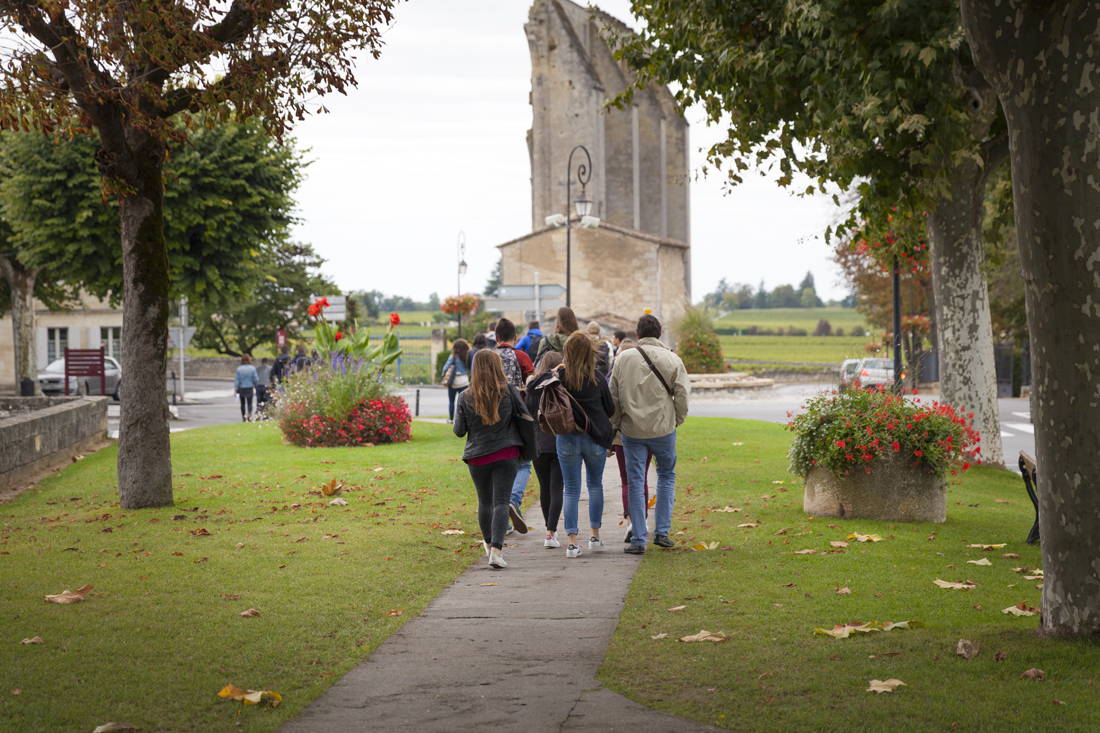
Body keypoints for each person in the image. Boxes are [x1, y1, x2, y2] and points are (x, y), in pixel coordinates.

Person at [610, 314, 691, 555]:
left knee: (636, 481)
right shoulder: (672, 359)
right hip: (663, 428)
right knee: (666, 476)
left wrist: (616, 423)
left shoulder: (623, 359)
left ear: (637, 335)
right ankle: (662, 532)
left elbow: (613, 396)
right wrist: (676, 420)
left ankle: (638, 538)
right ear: (660, 334)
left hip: (632, 429)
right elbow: (682, 395)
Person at [453, 350, 530, 569]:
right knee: (501, 502)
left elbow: (459, 431)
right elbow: (525, 416)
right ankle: (496, 551)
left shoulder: (465, 396)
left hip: (478, 456)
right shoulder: (509, 391)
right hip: (507, 453)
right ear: (498, 366)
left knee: (485, 502)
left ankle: (488, 545)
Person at [555, 331, 615, 558]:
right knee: (595, 485)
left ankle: (572, 542)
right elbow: (610, 409)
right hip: (595, 438)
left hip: (567, 437)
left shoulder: (560, 378)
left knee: (571, 489)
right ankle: (595, 536)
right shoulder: (598, 378)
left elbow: (535, 389)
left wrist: (555, 371)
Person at [494, 318, 535, 533]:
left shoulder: (488, 357)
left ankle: (504, 522)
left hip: (491, 418)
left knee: (498, 467)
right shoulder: (522, 357)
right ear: (516, 337)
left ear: (496, 337)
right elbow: (532, 385)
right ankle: (513, 501)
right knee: (523, 464)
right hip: (516, 418)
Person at [608, 339, 651, 541]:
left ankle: (631, 521)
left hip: (622, 435)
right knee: (642, 478)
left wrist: (609, 439)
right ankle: (642, 520)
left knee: (626, 480)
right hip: (646, 432)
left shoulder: (615, 377)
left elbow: (611, 409)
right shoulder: (646, 374)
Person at [526, 351, 565, 548]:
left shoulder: (534, 387)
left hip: (539, 442)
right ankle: (551, 532)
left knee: (545, 488)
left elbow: (527, 412)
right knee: (557, 488)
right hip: (559, 440)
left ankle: (549, 530)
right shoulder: (561, 385)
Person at [442, 339, 471, 423]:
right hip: (464, 381)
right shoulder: (467, 356)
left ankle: (451, 419)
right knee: (463, 402)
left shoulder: (453, 357)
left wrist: (443, 375)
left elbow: (445, 368)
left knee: (451, 401)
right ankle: (463, 420)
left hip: (453, 382)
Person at [234, 354, 260, 422]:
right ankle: (249, 414)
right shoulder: (252, 368)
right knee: (250, 403)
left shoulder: (239, 369)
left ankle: (243, 417)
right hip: (249, 387)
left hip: (241, 388)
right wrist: (255, 385)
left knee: (242, 404)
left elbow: (237, 380)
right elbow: (256, 379)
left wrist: (236, 389)